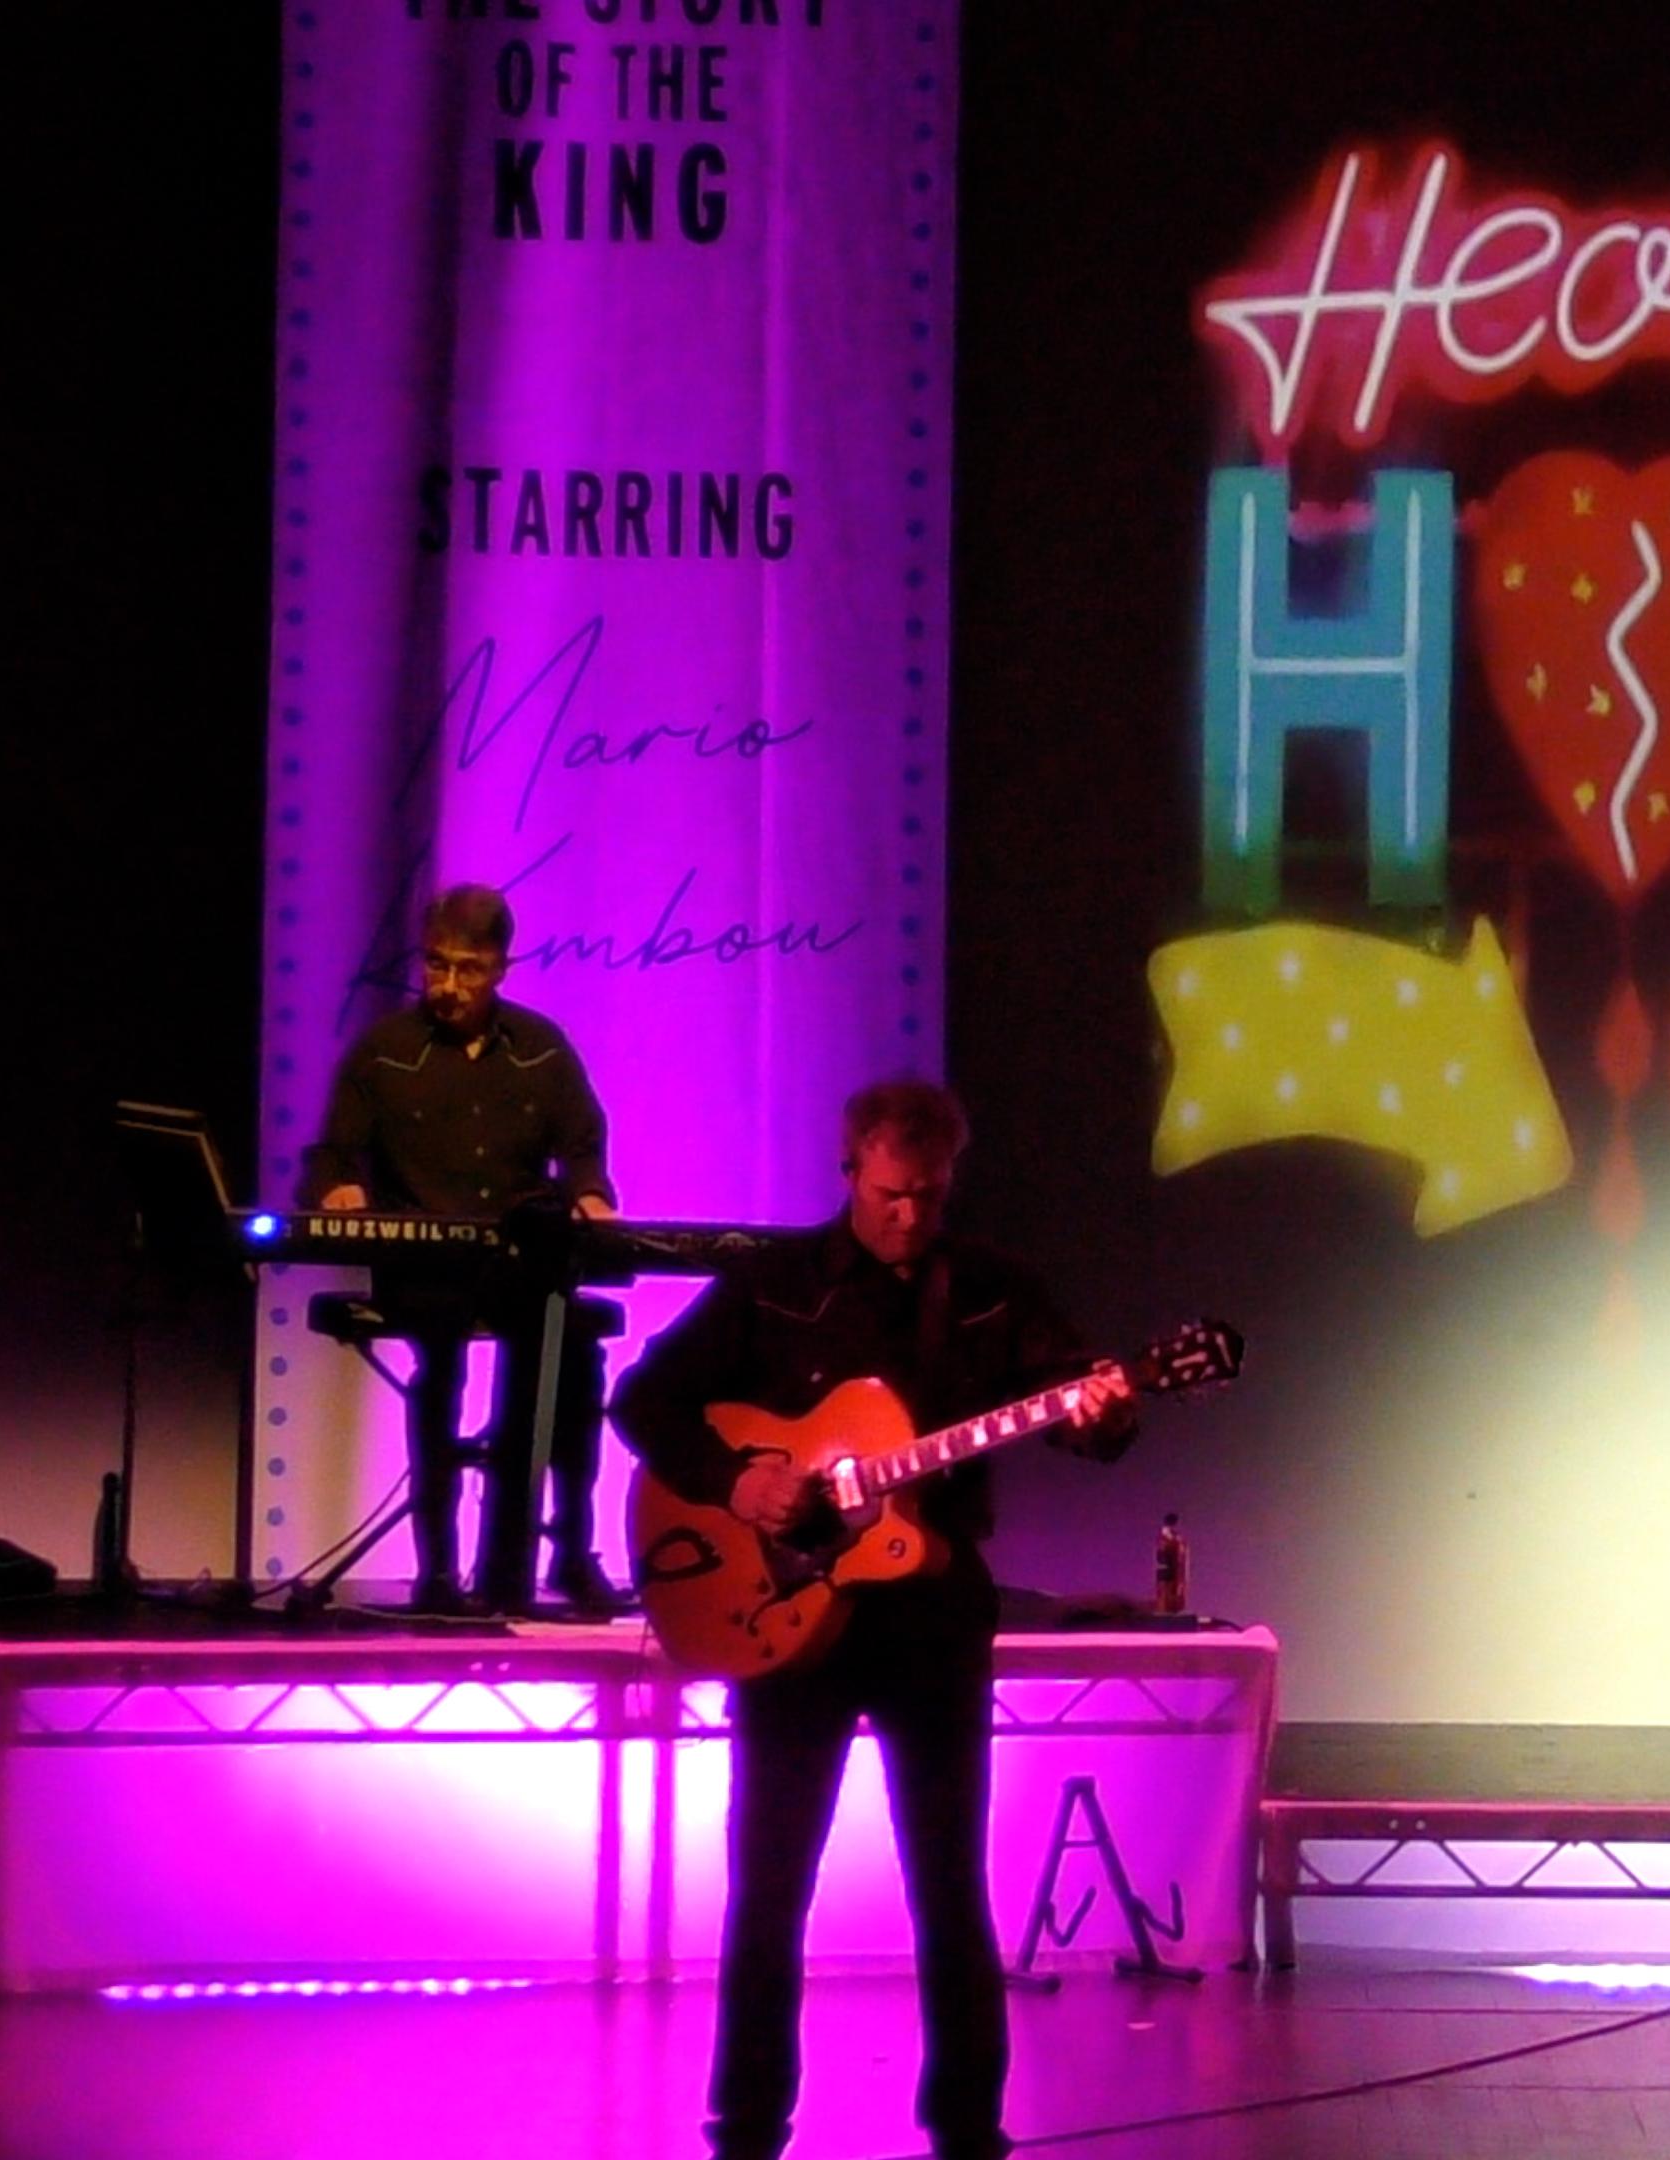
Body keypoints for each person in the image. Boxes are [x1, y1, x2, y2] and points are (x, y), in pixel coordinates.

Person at [612, 1078, 1135, 2160]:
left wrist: (1105, 1411)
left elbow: (1074, 1409)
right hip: (787, 1619)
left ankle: (965, 2126)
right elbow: (644, 1401)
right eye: (894, 1194)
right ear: (851, 1168)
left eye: (931, 1197)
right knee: (769, 1888)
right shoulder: (773, 1284)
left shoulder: (992, 1290)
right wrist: (736, 1482)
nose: (910, 1216)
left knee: (949, 1882)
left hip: (931, 1621)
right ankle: (746, 2126)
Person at [297, 882, 620, 1613]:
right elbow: (331, 1156)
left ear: (501, 965)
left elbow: (582, 1148)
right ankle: (438, 1571)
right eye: (435, 966)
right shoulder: (383, 1054)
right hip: (424, 1268)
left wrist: (590, 1193)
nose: (447, 985)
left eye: (467, 969)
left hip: (515, 1266)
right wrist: (340, 1188)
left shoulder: (541, 1050)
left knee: (570, 1348)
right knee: (439, 1354)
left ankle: (566, 1552)